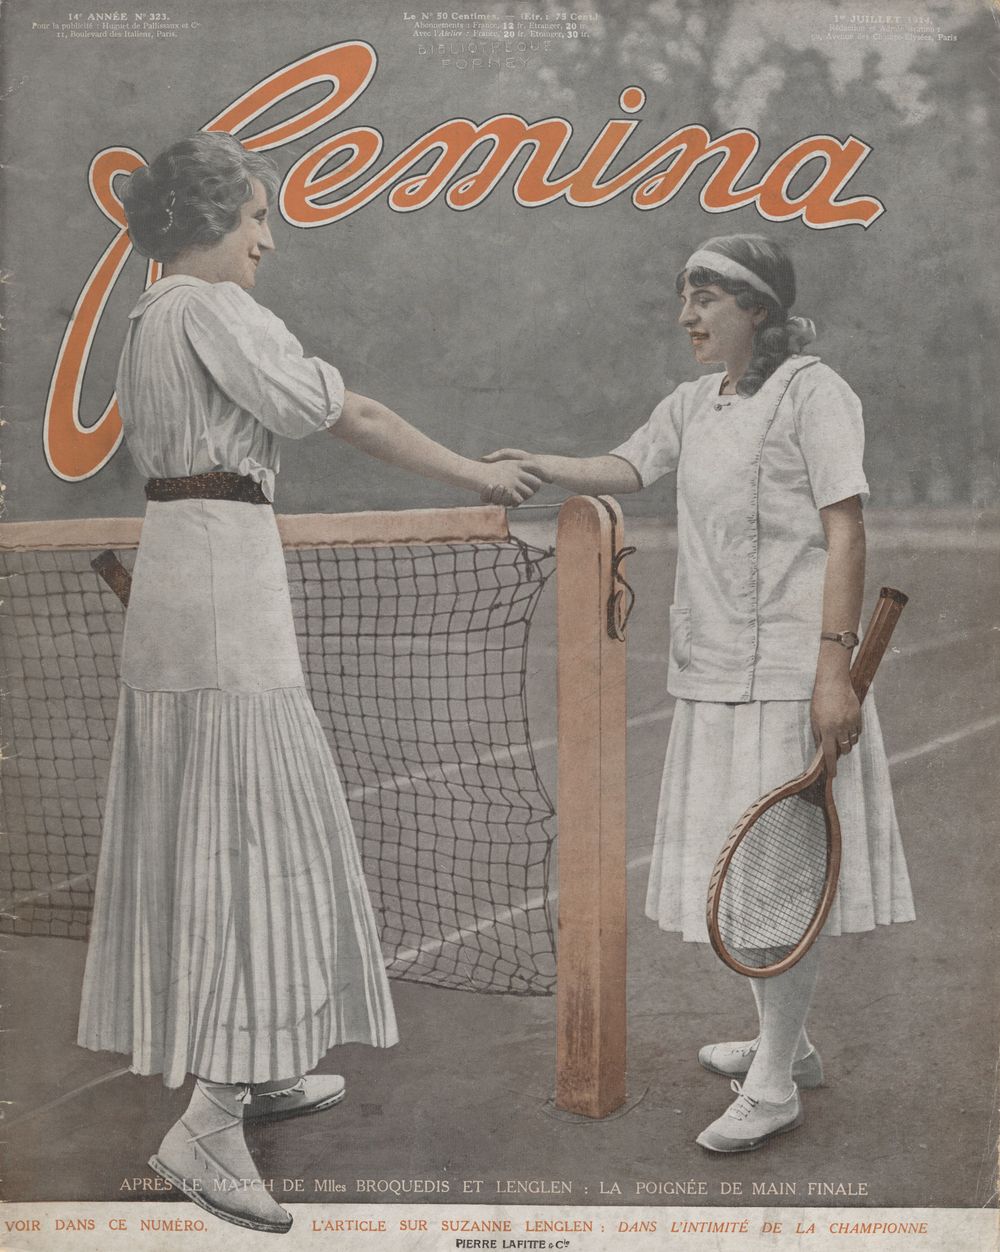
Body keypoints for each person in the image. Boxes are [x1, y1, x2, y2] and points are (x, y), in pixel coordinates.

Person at [76, 132, 545, 1233]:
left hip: (185, 581)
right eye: (255, 221)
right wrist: (479, 471)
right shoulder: (214, 311)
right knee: (255, 845)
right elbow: (352, 416)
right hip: (222, 593)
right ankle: (212, 1116)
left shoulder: (147, 318)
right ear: (206, 222)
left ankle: (256, 1064)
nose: (269, 241)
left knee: (218, 838)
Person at [485, 234, 914, 1153]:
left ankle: (775, 1080)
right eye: (684, 296)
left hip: (796, 678)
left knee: (777, 882)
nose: (688, 315)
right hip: (713, 670)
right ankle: (785, 1046)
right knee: (746, 865)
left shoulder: (817, 393)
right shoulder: (693, 402)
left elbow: (846, 531)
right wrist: (545, 463)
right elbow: (630, 467)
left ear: (757, 309)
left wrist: (833, 669)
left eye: (707, 297)